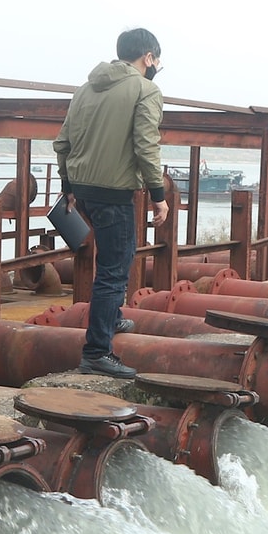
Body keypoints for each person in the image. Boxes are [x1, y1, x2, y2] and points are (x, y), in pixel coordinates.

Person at [54, 27, 169, 377]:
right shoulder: (146, 90)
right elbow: (146, 145)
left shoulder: (85, 88)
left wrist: (68, 185)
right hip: (115, 194)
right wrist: (158, 195)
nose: (157, 66)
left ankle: (112, 318)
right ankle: (97, 352)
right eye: (157, 60)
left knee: (111, 264)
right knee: (114, 271)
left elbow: (63, 142)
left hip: (83, 192)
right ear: (148, 57)